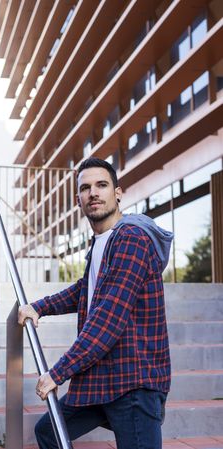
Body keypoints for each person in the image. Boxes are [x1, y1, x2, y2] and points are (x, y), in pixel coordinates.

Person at [18, 157, 173, 449]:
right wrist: (40, 306)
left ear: (117, 192)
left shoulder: (131, 239)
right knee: (49, 432)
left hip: (133, 382)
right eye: (86, 187)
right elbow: (84, 291)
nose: (93, 192)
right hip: (103, 379)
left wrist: (59, 372)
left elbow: (108, 319)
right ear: (78, 200)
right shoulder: (102, 242)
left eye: (102, 185)